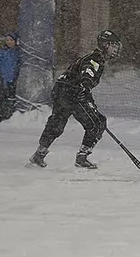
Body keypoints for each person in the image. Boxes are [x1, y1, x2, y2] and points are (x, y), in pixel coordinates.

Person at [28, 30, 122, 169]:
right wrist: (85, 87)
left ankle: (39, 154)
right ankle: (82, 157)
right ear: (104, 45)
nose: (115, 49)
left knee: (57, 122)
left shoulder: (92, 57)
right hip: (71, 93)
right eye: (112, 45)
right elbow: (87, 72)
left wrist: (86, 93)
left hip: (61, 90)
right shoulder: (95, 59)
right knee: (97, 123)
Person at [0, 31, 20, 122]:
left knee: (11, 98)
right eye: (7, 40)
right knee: (0, 97)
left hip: (13, 79)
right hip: (2, 78)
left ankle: (8, 114)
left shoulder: (18, 53)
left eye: (11, 40)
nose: (9, 42)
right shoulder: (2, 52)